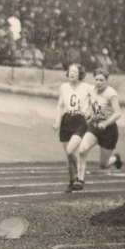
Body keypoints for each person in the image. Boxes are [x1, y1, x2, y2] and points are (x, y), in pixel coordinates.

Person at [53, 63, 94, 192]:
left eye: (75, 72)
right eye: (71, 71)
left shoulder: (87, 87)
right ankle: (72, 181)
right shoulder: (64, 87)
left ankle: (79, 177)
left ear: (80, 74)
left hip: (80, 121)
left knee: (71, 150)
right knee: (69, 154)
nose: (72, 74)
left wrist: (90, 112)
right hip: (66, 120)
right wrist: (57, 121)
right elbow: (60, 106)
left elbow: (97, 99)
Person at [81, 68, 124, 174]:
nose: (98, 82)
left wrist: (105, 123)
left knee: (103, 165)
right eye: (96, 79)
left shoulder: (111, 93)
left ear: (106, 81)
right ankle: (79, 178)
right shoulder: (91, 90)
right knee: (82, 149)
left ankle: (115, 159)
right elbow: (90, 104)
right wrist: (88, 113)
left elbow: (118, 113)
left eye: (101, 80)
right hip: (95, 126)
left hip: (109, 130)